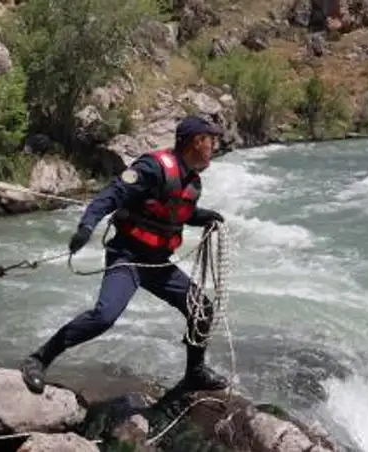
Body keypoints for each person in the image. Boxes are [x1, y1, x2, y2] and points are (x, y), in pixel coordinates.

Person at [20, 115, 229, 394]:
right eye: (211, 140)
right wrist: (86, 227)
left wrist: (204, 217)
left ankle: (194, 373)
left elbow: (176, 212)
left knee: (201, 308)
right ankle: (39, 358)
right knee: (104, 316)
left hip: (157, 263)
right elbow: (111, 194)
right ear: (196, 141)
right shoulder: (151, 167)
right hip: (127, 256)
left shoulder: (191, 180)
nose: (214, 146)